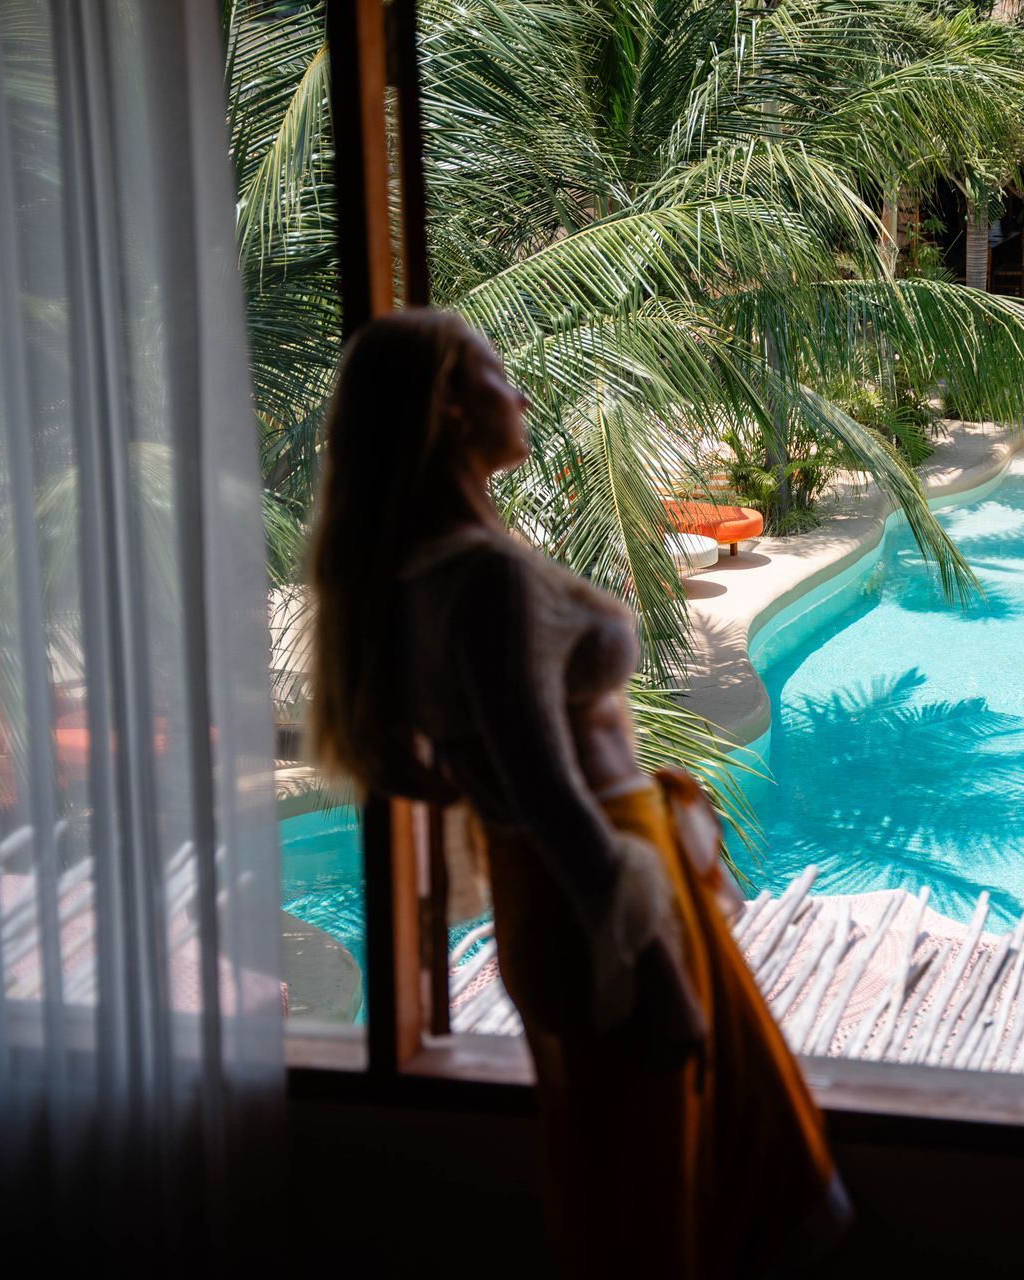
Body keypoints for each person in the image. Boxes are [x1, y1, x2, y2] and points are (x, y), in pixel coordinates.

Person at [304, 309, 849, 1278]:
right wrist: (654, 967)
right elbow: (547, 790)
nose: (519, 392)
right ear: (448, 409)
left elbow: (439, 762)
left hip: (560, 897)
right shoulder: (484, 580)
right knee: (662, 1196)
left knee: (625, 1182)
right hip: (601, 905)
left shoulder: (418, 575)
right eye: (494, 373)